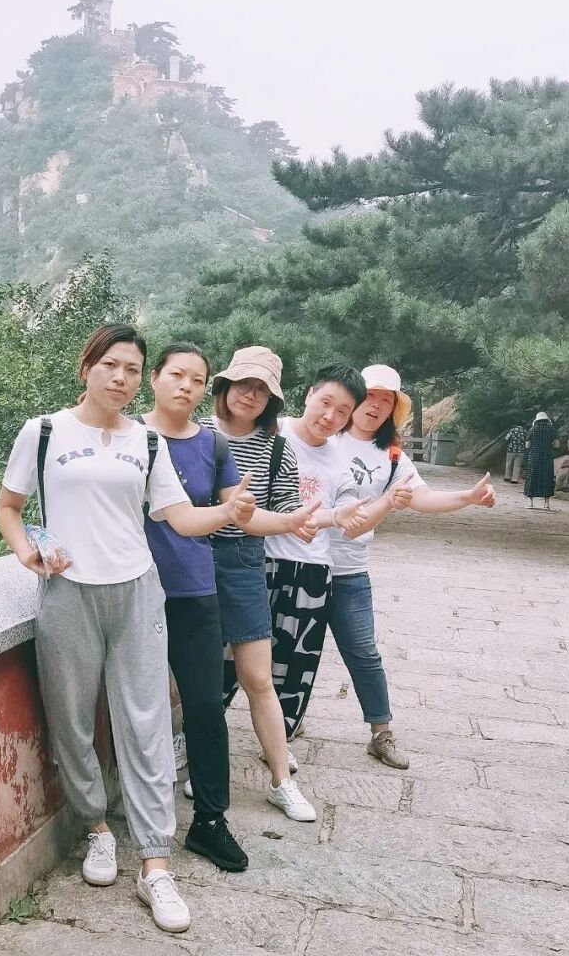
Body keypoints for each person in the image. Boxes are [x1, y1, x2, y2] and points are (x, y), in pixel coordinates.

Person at [0, 324, 255, 934]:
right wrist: (28, 551)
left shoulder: (147, 441)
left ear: (141, 379)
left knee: (147, 722)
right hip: (68, 592)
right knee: (72, 718)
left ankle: (155, 864)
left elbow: (180, 518)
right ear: (87, 366)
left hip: (137, 591)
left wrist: (228, 511)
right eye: (110, 364)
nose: (120, 377)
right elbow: (9, 507)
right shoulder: (44, 432)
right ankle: (96, 827)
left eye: (132, 369)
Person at [203, 346, 362, 823]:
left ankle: (281, 781)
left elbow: (287, 508)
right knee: (194, 673)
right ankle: (198, 760)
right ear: (225, 386)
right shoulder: (196, 434)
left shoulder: (276, 448)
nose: (250, 395)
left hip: (244, 563)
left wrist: (301, 520)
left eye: (262, 389)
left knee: (257, 677)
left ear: (272, 399)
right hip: (191, 561)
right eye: (243, 384)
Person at [313, 365, 496, 769]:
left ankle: (381, 733)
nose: (376, 406)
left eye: (387, 400)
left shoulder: (392, 457)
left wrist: (467, 497)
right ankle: (283, 726)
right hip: (303, 563)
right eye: (370, 395)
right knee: (288, 651)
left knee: (364, 653)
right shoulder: (322, 437)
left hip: (349, 570)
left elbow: (422, 498)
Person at [139, 343, 248, 871]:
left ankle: (210, 820)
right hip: (134, 591)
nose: (186, 386)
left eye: (198, 379)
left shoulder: (214, 444)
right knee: (139, 709)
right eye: (176, 375)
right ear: (154, 378)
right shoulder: (127, 436)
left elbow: (236, 511)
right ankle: (135, 820)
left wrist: (299, 520)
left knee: (205, 706)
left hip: (195, 590)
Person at [262, 364, 370, 740]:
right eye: (326, 402)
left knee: (295, 663)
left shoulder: (341, 457)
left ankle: (280, 740)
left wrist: (354, 513)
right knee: (228, 656)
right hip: (260, 561)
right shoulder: (271, 432)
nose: (330, 416)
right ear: (309, 394)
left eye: (342, 411)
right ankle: (201, 742)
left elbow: (349, 504)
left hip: (311, 569)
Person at [524, 411, 559, 509]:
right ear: (547, 420)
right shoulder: (552, 430)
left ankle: (530, 502)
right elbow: (557, 445)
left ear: (537, 420)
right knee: (547, 478)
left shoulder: (532, 429)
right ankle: (546, 503)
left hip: (534, 456)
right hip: (547, 456)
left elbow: (527, 445)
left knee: (532, 477)